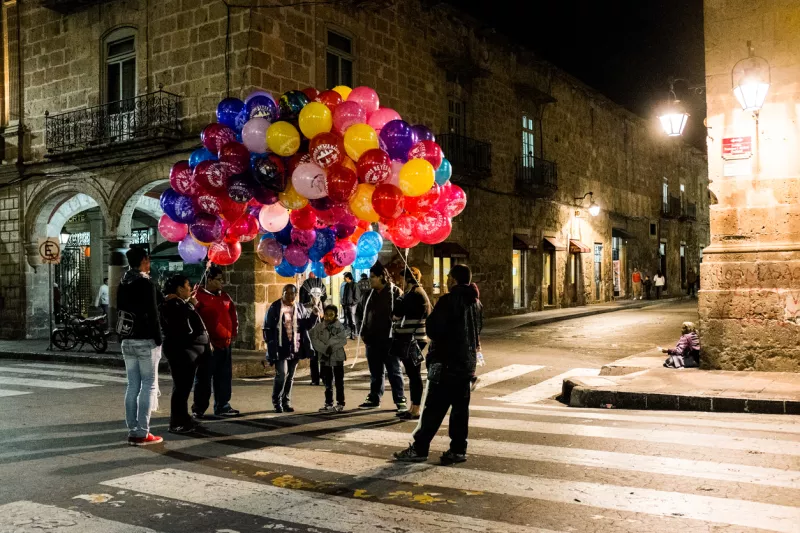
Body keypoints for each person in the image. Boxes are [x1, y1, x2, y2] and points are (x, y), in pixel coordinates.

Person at [393, 264, 483, 464]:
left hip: (446, 363)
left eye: (449, 277)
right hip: (467, 365)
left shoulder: (448, 301)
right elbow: (477, 331)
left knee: (433, 409)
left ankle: (419, 448)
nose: (447, 280)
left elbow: (433, 330)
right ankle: (458, 450)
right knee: (460, 411)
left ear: (454, 279)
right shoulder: (476, 303)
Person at [116, 247, 164, 446]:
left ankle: (132, 429)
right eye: (148, 260)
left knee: (132, 384)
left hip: (127, 339)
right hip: (145, 339)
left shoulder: (123, 282)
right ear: (144, 260)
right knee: (148, 384)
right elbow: (153, 312)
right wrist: (158, 337)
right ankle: (143, 431)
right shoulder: (145, 283)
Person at [159, 274, 210, 434]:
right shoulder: (173, 304)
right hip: (182, 350)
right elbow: (184, 328)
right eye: (188, 286)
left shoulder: (179, 303)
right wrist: (190, 306)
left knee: (185, 387)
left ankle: (183, 417)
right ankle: (176, 422)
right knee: (181, 387)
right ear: (180, 289)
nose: (190, 289)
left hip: (188, 350)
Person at [357, 262, 406, 411]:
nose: (370, 280)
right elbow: (359, 314)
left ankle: (400, 399)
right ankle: (374, 397)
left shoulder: (395, 293)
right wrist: (362, 331)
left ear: (381, 277)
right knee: (375, 373)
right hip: (372, 340)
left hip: (390, 340)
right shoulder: (368, 295)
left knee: (394, 371)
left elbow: (403, 314)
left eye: (372, 277)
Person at [193, 266, 240, 418]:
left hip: (225, 343)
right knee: (204, 379)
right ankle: (199, 408)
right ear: (209, 280)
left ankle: (223, 405)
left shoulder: (224, 296)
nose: (222, 282)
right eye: (219, 280)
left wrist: (233, 332)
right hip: (208, 345)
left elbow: (232, 314)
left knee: (224, 376)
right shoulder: (198, 297)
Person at [264, 284, 319, 412]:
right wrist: (271, 347)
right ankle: (276, 401)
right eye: (287, 293)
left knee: (290, 376)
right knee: (281, 374)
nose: (290, 296)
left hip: (295, 346)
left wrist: (314, 315)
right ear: (282, 293)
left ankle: (286, 401)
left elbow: (307, 325)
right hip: (280, 347)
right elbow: (268, 328)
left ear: (296, 294)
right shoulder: (275, 307)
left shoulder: (299, 307)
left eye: (293, 293)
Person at [392, 267, 431, 421]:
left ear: (409, 278)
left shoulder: (414, 294)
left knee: (414, 374)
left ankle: (416, 409)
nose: (400, 281)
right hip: (412, 338)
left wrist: (400, 301)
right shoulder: (415, 293)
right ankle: (413, 407)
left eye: (402, 278)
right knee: (412, 373)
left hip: (413, 339)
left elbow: (397, 312)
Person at [310, 305, 348, 413]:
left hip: (337, 357)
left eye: (331, 315)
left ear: (335, 315)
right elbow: (314, 340)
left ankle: (340, 403)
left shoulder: (339, 327)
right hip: (324, 357)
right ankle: (328, 403)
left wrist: (331, 347)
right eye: (326, 314)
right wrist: (325, 349)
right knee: (327, 382)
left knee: (339, 381)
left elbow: (342, 340)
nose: (328, 317)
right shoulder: (319, 327)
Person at [341, 272, 360, 340]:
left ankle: (354, 334)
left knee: (353, 320)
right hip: (347, 305)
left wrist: (352, 303)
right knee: (349, 320)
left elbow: (357, 297)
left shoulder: (354, 284)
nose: (344, 278)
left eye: (345, 277)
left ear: (348, 277)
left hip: (352, 306)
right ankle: (351, 334)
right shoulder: (346, 285)